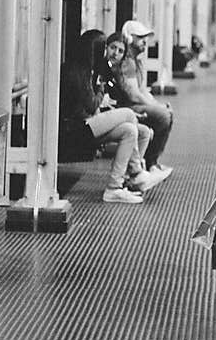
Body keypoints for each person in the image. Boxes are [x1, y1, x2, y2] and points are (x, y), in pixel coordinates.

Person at [60, 29, 159, 204]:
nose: (107, 53)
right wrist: (100, 89)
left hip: (87, 123)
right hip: (76, 128)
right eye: (104, 48)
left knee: (130, 131)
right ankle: (136, 171)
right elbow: (92, 104)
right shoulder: (77, 71)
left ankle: (115, 187)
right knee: (128, 114)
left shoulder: (91, 70)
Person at [116, 20, 174, 182]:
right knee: (163, 116)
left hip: (135, 104)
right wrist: (157, 108)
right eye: (140, 38)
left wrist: (158, 104)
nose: (144, 42)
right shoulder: (127, 62)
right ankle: (150, 163)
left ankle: (152, 162)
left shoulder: (137, 61)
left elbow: (142, 91)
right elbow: (134, 95)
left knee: (166, 112)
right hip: (127, 106)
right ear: (129, 39)